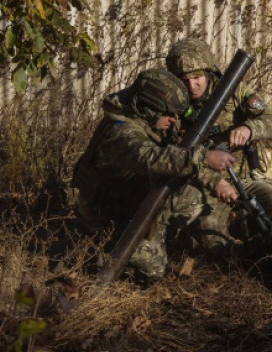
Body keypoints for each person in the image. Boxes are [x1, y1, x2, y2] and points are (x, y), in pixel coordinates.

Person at [71, 68, 236, 283]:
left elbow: (175, 154)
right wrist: (203, 158)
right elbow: (149, 157)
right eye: (168, 114)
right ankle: (93, 248)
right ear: (147, 108)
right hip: (108, 212)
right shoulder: (119, 130)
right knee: (153, 269)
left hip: (136, 195)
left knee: (199, 199)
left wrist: (215, 182)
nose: (173, 120)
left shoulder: (148, 120)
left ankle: (203, 249)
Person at [165, 39, 272, 248]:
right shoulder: (171, 105)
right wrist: (215, 182)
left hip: (244, 180)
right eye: (184, 80)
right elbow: (171, 157)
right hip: (202, 186)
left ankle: (253, 238)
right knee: (211, 234)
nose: (191, 86)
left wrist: (249, 129)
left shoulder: (233, 92)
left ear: (208, 72)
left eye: (197, 77)